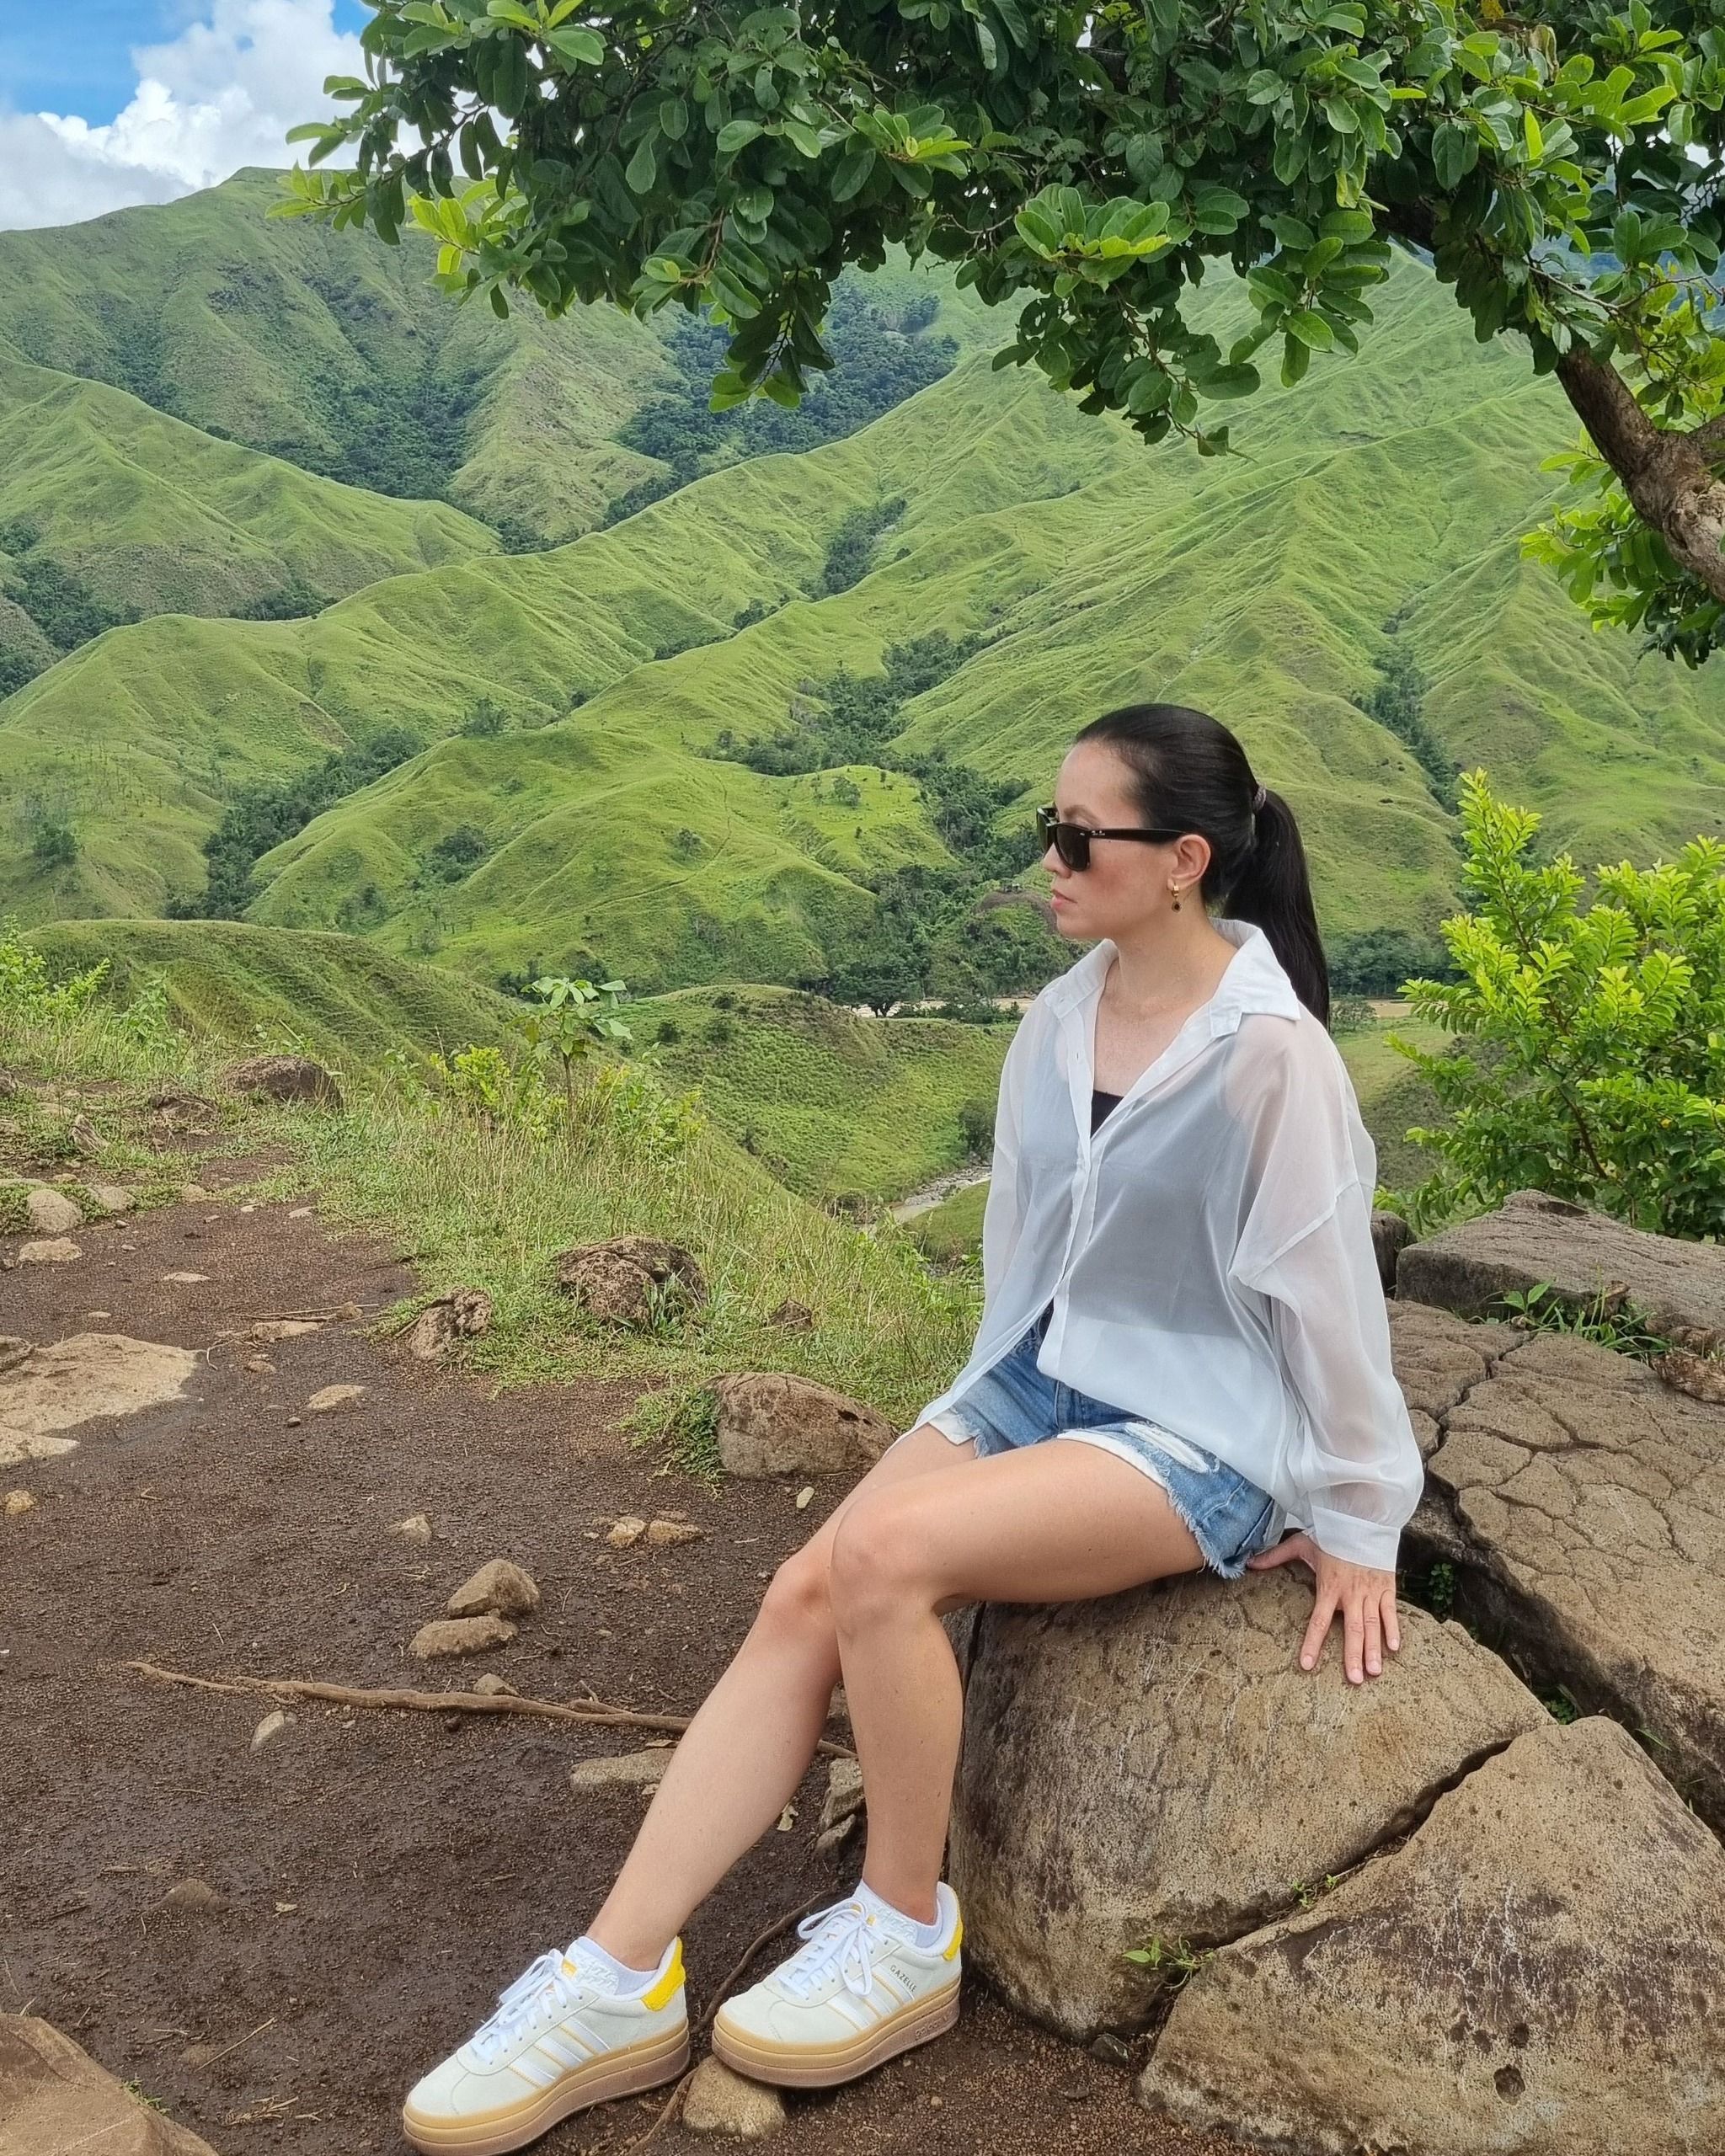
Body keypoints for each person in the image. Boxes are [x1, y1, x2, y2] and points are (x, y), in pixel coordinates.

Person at [400, 701, 1427, 2155]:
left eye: (1079, 836)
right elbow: (1027, 1256)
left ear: (1185, 860)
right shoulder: (1060, 1020)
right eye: (1047, 828)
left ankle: (901, 1931)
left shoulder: (1271, 1054)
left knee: (883, 1561)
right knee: (805, 1586)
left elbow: (1328, 1296)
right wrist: (983, 1423)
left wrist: (1358, 1517)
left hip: (1200, 1430)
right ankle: (615, 1979)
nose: (1049, 859)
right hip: (1039, 1379)